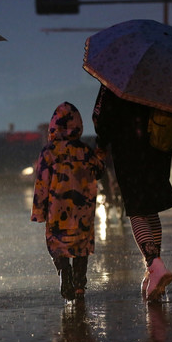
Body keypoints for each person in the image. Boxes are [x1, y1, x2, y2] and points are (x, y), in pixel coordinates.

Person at [92, 85, 172, 301]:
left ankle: (154, 264)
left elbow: (101, 118)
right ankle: (154, 273)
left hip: (130, 149)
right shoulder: (157, 76)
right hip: (159, 147)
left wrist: (101, 144)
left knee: (137, 210)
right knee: (150, 209)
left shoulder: (116, 79)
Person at [31, 102, 106, 301]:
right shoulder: (85, 151)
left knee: (57, 243)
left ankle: (65, 272)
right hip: (83, 208)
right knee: (81, 245)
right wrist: (100, 155)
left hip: (57, 209)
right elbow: (99, 172)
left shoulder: (49, 152)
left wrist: (39, 211)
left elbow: (41, 183)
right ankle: (80, 284)